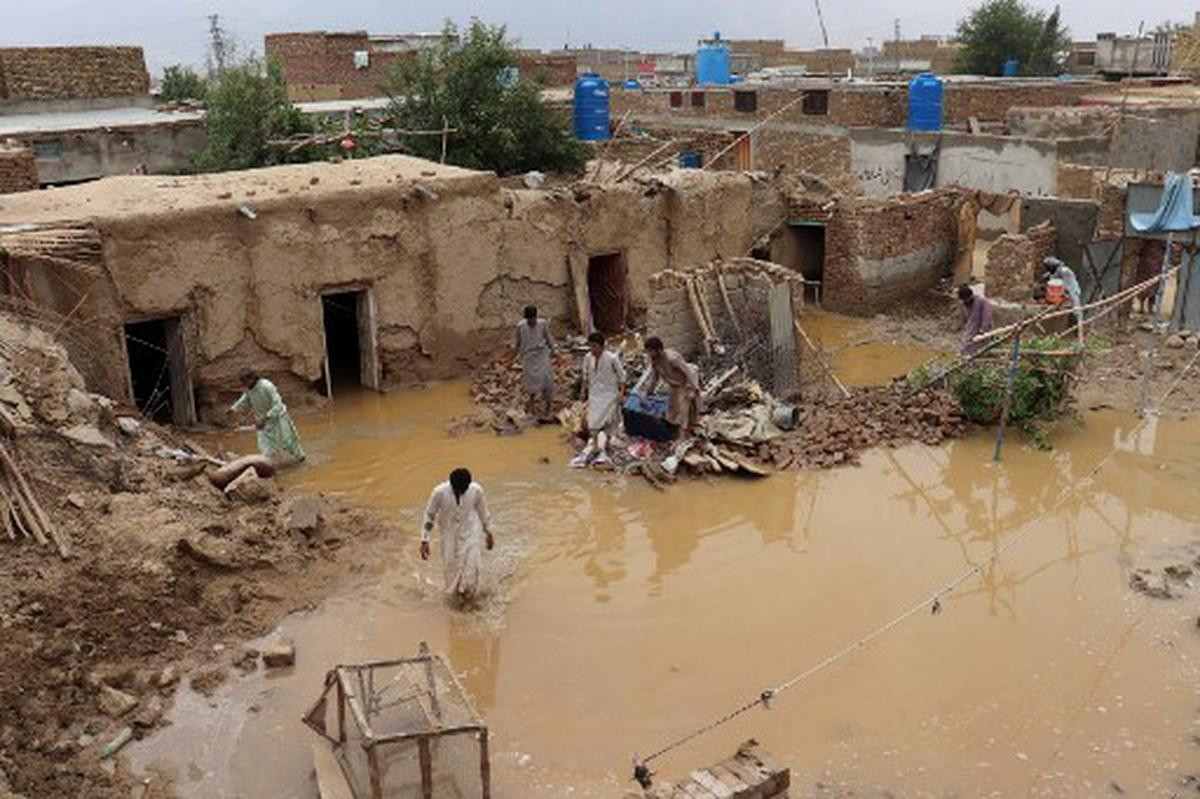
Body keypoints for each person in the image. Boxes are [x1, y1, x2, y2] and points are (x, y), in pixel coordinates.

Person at [420, 468, 495, 603]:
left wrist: (488, 532)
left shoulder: (476, 490)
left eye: (463, 490)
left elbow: (483, 512)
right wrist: (424, 540)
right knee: (450, 569)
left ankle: (469, 598)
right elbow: (429, 515)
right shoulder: (439, 492)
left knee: (472, 569)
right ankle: (456, 599)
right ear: (451, 485)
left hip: (470, 532)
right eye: (458, 490)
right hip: (448, 534)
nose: (461, 493)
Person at [573, 332, 627, 467]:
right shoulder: (587, 357)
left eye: (595, 346)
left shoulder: (612, 358)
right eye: (591, 346)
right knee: (593, 422)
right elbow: (585, 376)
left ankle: (606, 444)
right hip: (595, 394)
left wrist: (621, 394)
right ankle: (596, 446)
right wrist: (582, 392)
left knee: (610, 422)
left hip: (609, 394)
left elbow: (622, 377)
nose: (593, 349)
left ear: (602, 347)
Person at [230, 369, 305, 464]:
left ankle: (302, 460)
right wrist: (233, 409)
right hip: (263, 423)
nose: (244, 384)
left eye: (245, 381)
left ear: (252, 378)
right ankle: (270, 467)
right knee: (265, 449)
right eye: (242, 382)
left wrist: (265, 417)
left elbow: (278, 404)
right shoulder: (250, 389)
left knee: (289, 442)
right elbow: (245, 400)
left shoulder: (266, 386)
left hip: (278, 419)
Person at [642, 336, 701, 437]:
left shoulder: (672, 358)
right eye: (647, 351)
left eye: (650, 351)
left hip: (686, 383)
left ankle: (682, 437)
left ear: (659, 350)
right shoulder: (655, 360)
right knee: (672, 411)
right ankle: (677, 432)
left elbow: (688, 372)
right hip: (674, 385)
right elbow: (654, 378)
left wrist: (692, 389)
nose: (648, 354)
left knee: (683, 411)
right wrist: (647, 393)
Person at [513, 305, 556, 423]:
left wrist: (555, 351)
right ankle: (531, 407)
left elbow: (549, 338)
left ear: (536, 317)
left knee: (547, 381)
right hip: (528, 357)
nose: (531, 322)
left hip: (542, 355)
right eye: (529, 320)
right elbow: (516, 343)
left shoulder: (543, 324)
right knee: (530, 383)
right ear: (526, 319)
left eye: (533, 319)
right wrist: (511, 357)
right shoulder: (520, 326)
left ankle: (548, 407)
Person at [1043, 257, 1083, 345]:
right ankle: (1072, 331)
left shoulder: (1065, 271)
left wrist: (1063, 294)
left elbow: (1064, 284)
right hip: (1068, 293)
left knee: (1076, 311)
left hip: (1073, 292)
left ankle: (1079, 333)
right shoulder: (1059, 270)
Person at [958, 284, 994, 356]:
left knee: (980, 349)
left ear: (970, 296)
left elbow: (987, 317)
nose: (965, 301)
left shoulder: (982, 302)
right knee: (965, 347)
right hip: (971, 330)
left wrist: (982, 331)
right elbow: (966, 319)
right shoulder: (964, 304)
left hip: (982, 331)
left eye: (966, 299)